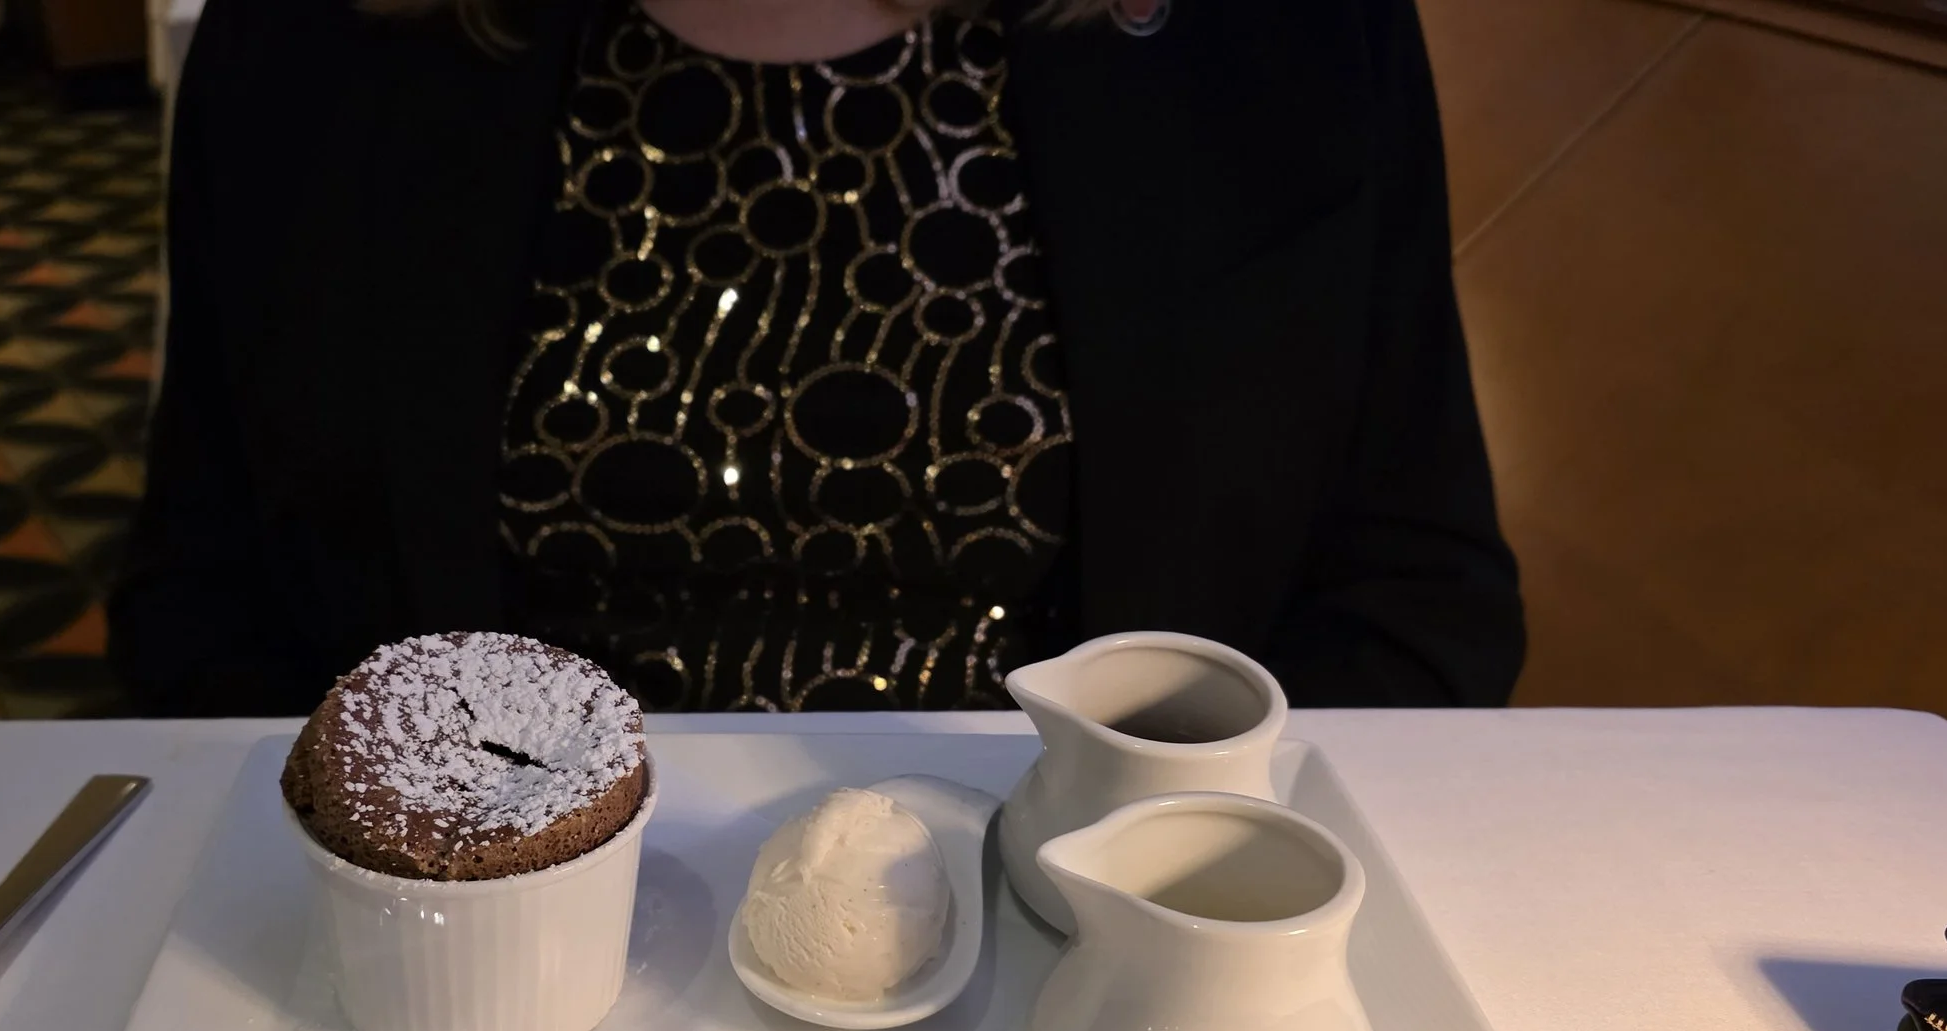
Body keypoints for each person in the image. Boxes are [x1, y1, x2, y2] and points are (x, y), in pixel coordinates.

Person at [111, 0, 1523, 716]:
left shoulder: (1287, 39)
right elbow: (204, 608)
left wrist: (1177, 877)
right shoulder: (319, 40)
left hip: (1082, 959)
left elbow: (1417, 601)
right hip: (477, 978)